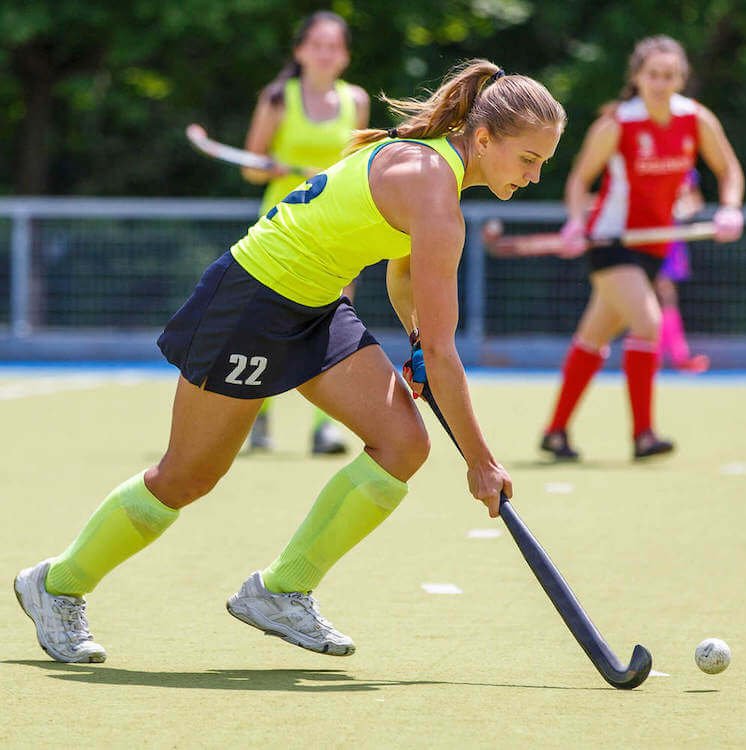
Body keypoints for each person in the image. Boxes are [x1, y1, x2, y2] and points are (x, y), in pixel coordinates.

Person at [14, 59, 565, 663]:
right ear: (484, 138)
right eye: (529, 160)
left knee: (403, 444)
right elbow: (443, 348)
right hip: (250, 298)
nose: (536, 176)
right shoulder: (433, 189)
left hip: (316, 304)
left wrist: (412, 343)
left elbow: (406, 281)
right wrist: (482, 462)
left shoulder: (437, 170)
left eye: (543, 163)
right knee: (188, 475)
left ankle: (281, 591)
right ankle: (55, 585)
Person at [541, 35, 744, 461]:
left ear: (680, 79)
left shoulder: (696, 119)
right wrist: (577, 221)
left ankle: (556, 432)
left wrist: (729, 208)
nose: (660, 82)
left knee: (594, 335)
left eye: (669, 75)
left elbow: (728, 170)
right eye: (653, 74)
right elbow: (579, 180)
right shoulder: (618, 124)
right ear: (637, 77)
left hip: (654, 245)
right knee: (648, 322)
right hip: (612, 241)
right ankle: (644, 435)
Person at [241, 10, 370, 455]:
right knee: (264, 323)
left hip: (336, 227)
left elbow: (358, 165)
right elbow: (250, 167)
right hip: (280, 230)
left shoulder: (357, 101)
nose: (325, 53)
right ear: (300, 52)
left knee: (333, 323)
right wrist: (273, 167)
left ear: (345, 56)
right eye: (316, 44)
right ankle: (255, 420)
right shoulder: (278, 98)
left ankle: (325, 428)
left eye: (334, 46)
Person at [656, 169, 709, 372]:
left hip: (671, 238)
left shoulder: (686, 169)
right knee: (659, 295)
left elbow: (695, 200)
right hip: (650, 235)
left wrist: (685, 208)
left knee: (666, 296)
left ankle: (665, 355)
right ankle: (672, 355)